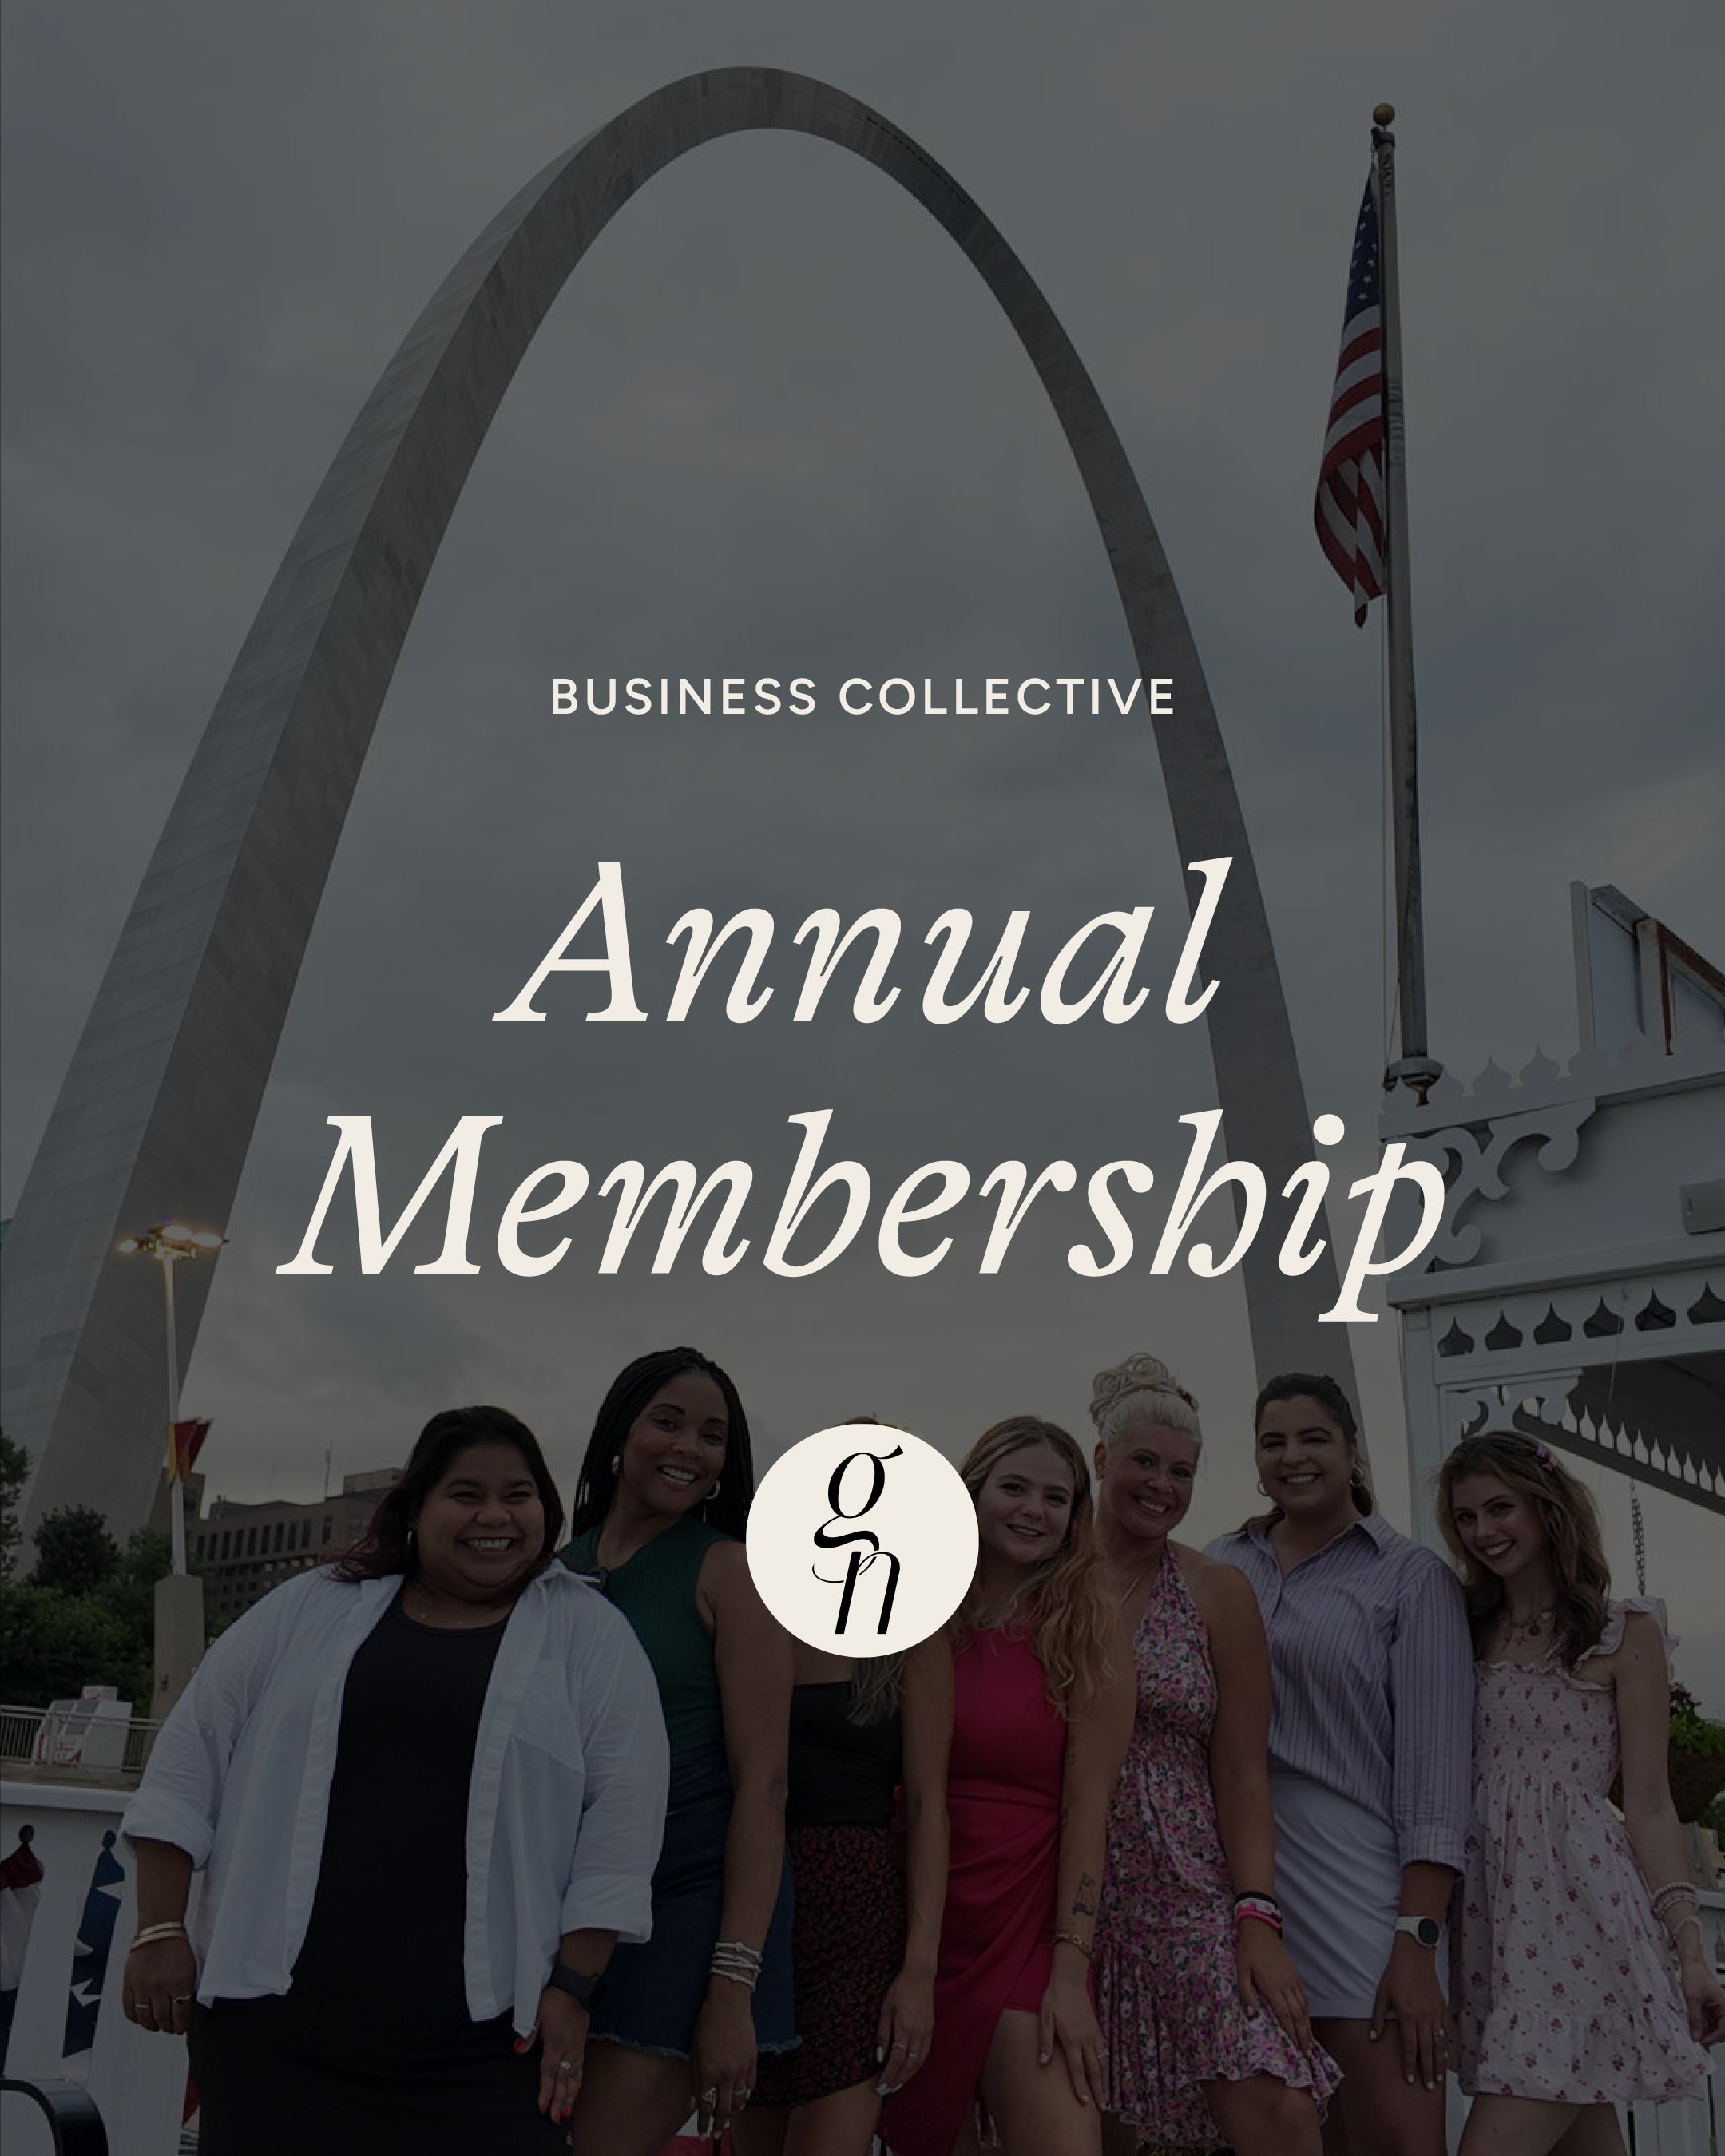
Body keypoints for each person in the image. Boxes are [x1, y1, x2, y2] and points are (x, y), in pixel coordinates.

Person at [119, 1405, 668, 2156]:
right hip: (278, 2032)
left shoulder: (590, 1635)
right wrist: (158, 1929)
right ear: (416, 1509)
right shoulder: (312, 1604)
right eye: (465, 1494)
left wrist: (574, 1991)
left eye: (517, 1495)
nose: (494, 1516)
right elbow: (188, 1759)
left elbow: (623, 1826)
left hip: (482, 2050)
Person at [1207, 1373, 1472, 2156]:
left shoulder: (1410, 1579)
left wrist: (1415, 1943)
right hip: (1235, 1876)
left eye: (1313, 1438)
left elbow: (1436, 1780)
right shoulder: (1221, 1566)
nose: (1293, 1457)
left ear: (1352, 1451)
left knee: (1393, 2133)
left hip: (1360, 1883)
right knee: (1279, 2130)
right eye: (1273, 1442)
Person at [1438, 1430, 1720, 2150]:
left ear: (1547, 1507)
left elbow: (1650, 1802)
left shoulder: (1621, 1633)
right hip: (1494, 1920)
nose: (1483, 1532)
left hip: (1578, 1922)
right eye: (1466, 1517)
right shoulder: (1462, 1630)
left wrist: (1689, 1948)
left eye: (1501, 1508)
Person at [1088, 1353, 1338, 2154]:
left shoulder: (1214, 1590)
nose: (1162, 1485)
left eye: (1183, 1471)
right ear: (1099, 1460)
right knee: (1083, 2119)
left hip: (1185, 1893)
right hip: (1060, 1888)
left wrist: (1255, 1917)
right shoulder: (1045, 1582)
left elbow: (1240, 1770)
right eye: (1145, 1463)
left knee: (1276, 2105)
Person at [561, 1346, 795, 2156]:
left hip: (686, 1906)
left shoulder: (730, 1574)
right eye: (668, 1422)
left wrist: (733, 1990)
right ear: (620, 1430)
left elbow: (763, 1787)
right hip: (557, 1905)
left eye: (712, 1435)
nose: (689, 1449)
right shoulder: (551, 1571)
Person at [883, 1416, 1136, 2156]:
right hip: (912, 1915)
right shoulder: (913, 1612)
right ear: (972, 1493)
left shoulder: (1089, 1633)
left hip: (1026, 1920)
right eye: (1014, 1488)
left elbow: (1090, 1812)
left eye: (1055, 1499)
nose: (1034, 1510)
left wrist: (1068, 1973)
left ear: (1074, 1519)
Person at [734, 1635, 954, 2156]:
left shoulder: (915, 1642)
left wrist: (918, 1972)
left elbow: (928, 1805)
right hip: (755, 1906)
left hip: (859, 1920)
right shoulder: (752, 1615)